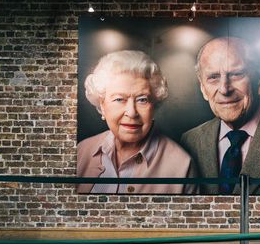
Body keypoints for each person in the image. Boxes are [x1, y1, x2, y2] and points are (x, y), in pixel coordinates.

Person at [181, 37, 260, 195]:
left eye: (237, 74)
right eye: (213, 77)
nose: (224, 89)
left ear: (259, 81)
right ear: (203, 88)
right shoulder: (189, 141)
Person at [77, 50, 197, 194]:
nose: (132, 112)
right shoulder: (82, 150)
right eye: (119, 99)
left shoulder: (182, 166)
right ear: (102, 105)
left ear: (154, 105)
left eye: (142, 100)